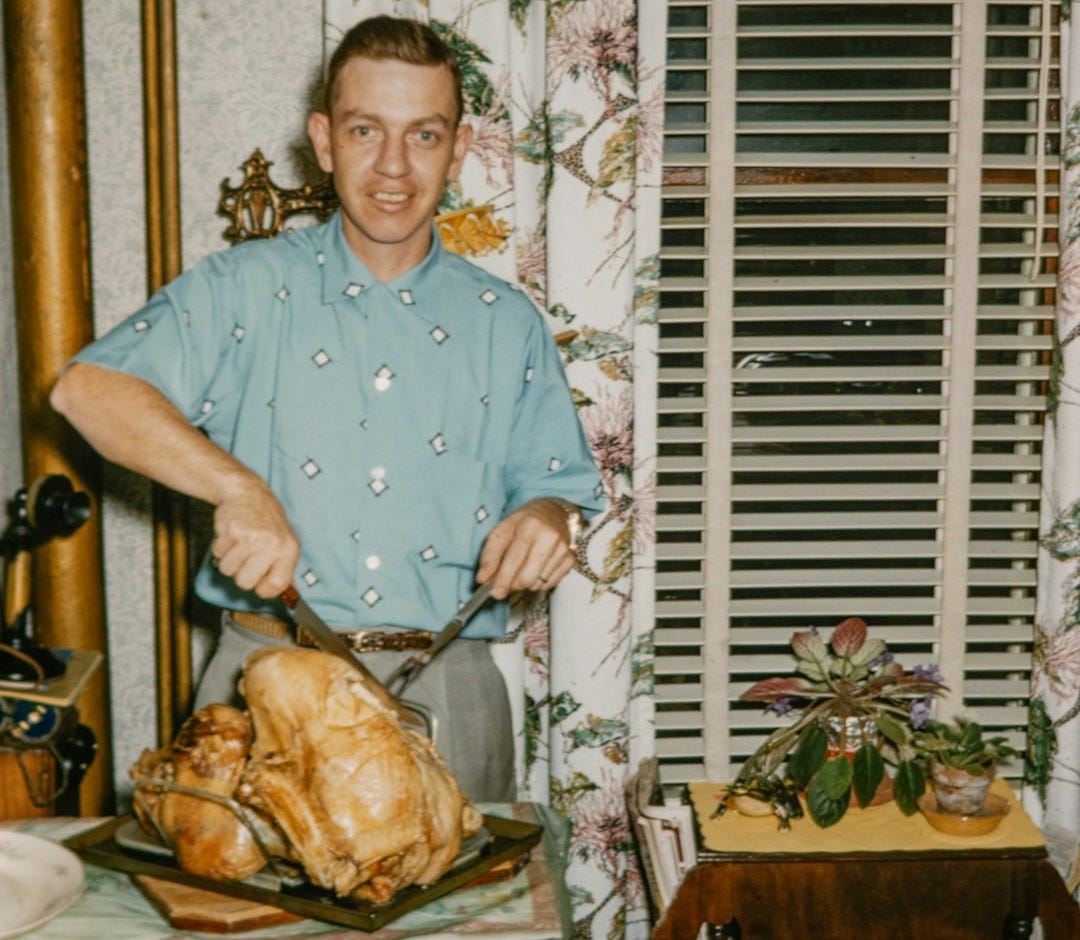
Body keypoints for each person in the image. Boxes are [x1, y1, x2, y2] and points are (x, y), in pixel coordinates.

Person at [49, 15, 602, 802]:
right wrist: (238, 489)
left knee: (461, 927)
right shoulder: (240, 285)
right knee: (246, 924)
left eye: (424, 135)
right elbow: (88, 389)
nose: (393, 166)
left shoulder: (507, 321)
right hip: (263, 684)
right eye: (366, 128)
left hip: (449, 694)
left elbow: (562, 493)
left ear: (459, 150)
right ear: (324, 139)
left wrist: (548, 517)